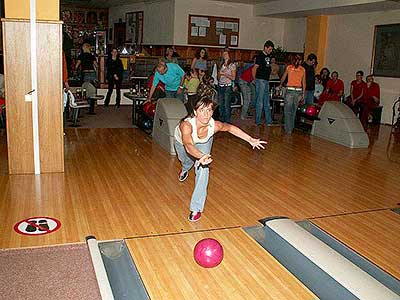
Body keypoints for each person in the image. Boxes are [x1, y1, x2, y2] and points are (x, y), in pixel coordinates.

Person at [174, 96, 267, 222]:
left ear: (212, 112)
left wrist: (250, 139)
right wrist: (200, 156)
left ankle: (196, 208)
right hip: (183, 142)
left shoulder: (215, 125)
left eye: (209, 110)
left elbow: (230, 128)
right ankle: (185, 168)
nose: (206, 114)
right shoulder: (186, 125)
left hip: (204, 142)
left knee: (203, 169)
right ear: (195, 112)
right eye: (202, 110)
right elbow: (189, 145)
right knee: (185, 159)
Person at [279, 54, 306, 134]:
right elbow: (304, 82)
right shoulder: (303, 69)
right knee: (294, 111)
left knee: (287, 111)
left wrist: (280, 84)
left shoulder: (289, 68)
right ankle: (291, 127)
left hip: (290, 90)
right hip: (298, 91)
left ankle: (288, 129)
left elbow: (283, 77)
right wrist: (303, 94)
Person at [252, 40, 275, 126]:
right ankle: (257, 121)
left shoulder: (268, 57)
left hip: (266, 80)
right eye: (269, 49)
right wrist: (254, 79)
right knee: (260, 101)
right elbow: (254, 68)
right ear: (265, 47)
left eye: (271, 50)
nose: (270, 51)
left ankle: (269, 121)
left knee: (266, 101)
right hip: (260, 80)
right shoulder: (260, 57)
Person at [217, 49, 236, 123]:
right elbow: (218, 78)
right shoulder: (221, 65)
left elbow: (233, 77)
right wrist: (219, 74)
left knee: (226, 104)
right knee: (221, 104)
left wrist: (224, 74)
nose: (225, 55)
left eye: (226, 54)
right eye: (224, 54)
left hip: (228, 86)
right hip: (220, 85)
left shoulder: (232, 65)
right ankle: (221, 120)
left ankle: (227, 121)